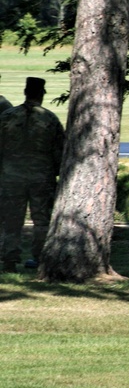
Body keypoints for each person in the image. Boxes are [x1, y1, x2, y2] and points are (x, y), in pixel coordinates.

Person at [0, 77, 65, 272]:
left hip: (11, 174)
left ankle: (9, 259)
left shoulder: (7, 116)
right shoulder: (49, 118)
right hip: (41, 175)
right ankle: (40, 257)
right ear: (41, 94)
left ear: (25, 92)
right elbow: (59, 150)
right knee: (41, 220)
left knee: (11, 220)